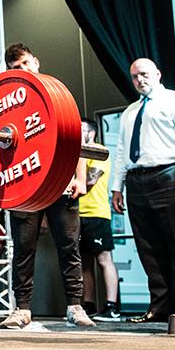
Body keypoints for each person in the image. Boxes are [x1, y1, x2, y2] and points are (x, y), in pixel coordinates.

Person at [0, 44, 95, 329]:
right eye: (16, 68)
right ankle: (22, 310)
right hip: (25, 188)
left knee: (69, 247)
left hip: (60, 184)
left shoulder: (54, 95)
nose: (23, 70)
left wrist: (79, 178)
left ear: (36, 61)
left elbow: (73, 139)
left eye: (26, 63)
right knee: (23, 249)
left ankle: (76, 307)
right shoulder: (7, 104)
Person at [111, 58, 175, 322]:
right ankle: (160, 307)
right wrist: (117, 187)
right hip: (137, 181)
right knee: (149, 248)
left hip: (171, 176)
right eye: (135, 76)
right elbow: (121, 152)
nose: (140, 80)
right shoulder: (130, 112)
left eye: (144, 74)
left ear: (158, 74)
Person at [78, 118, 120, 321]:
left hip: (96, 213)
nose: (77, 131)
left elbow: (89, 181)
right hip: (77, 214)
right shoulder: (77, 154)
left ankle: (112, 306)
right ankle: (88, 305)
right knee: (84, 263)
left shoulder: (99, 151)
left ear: (91, 132)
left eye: (81, 128)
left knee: (104, 260)